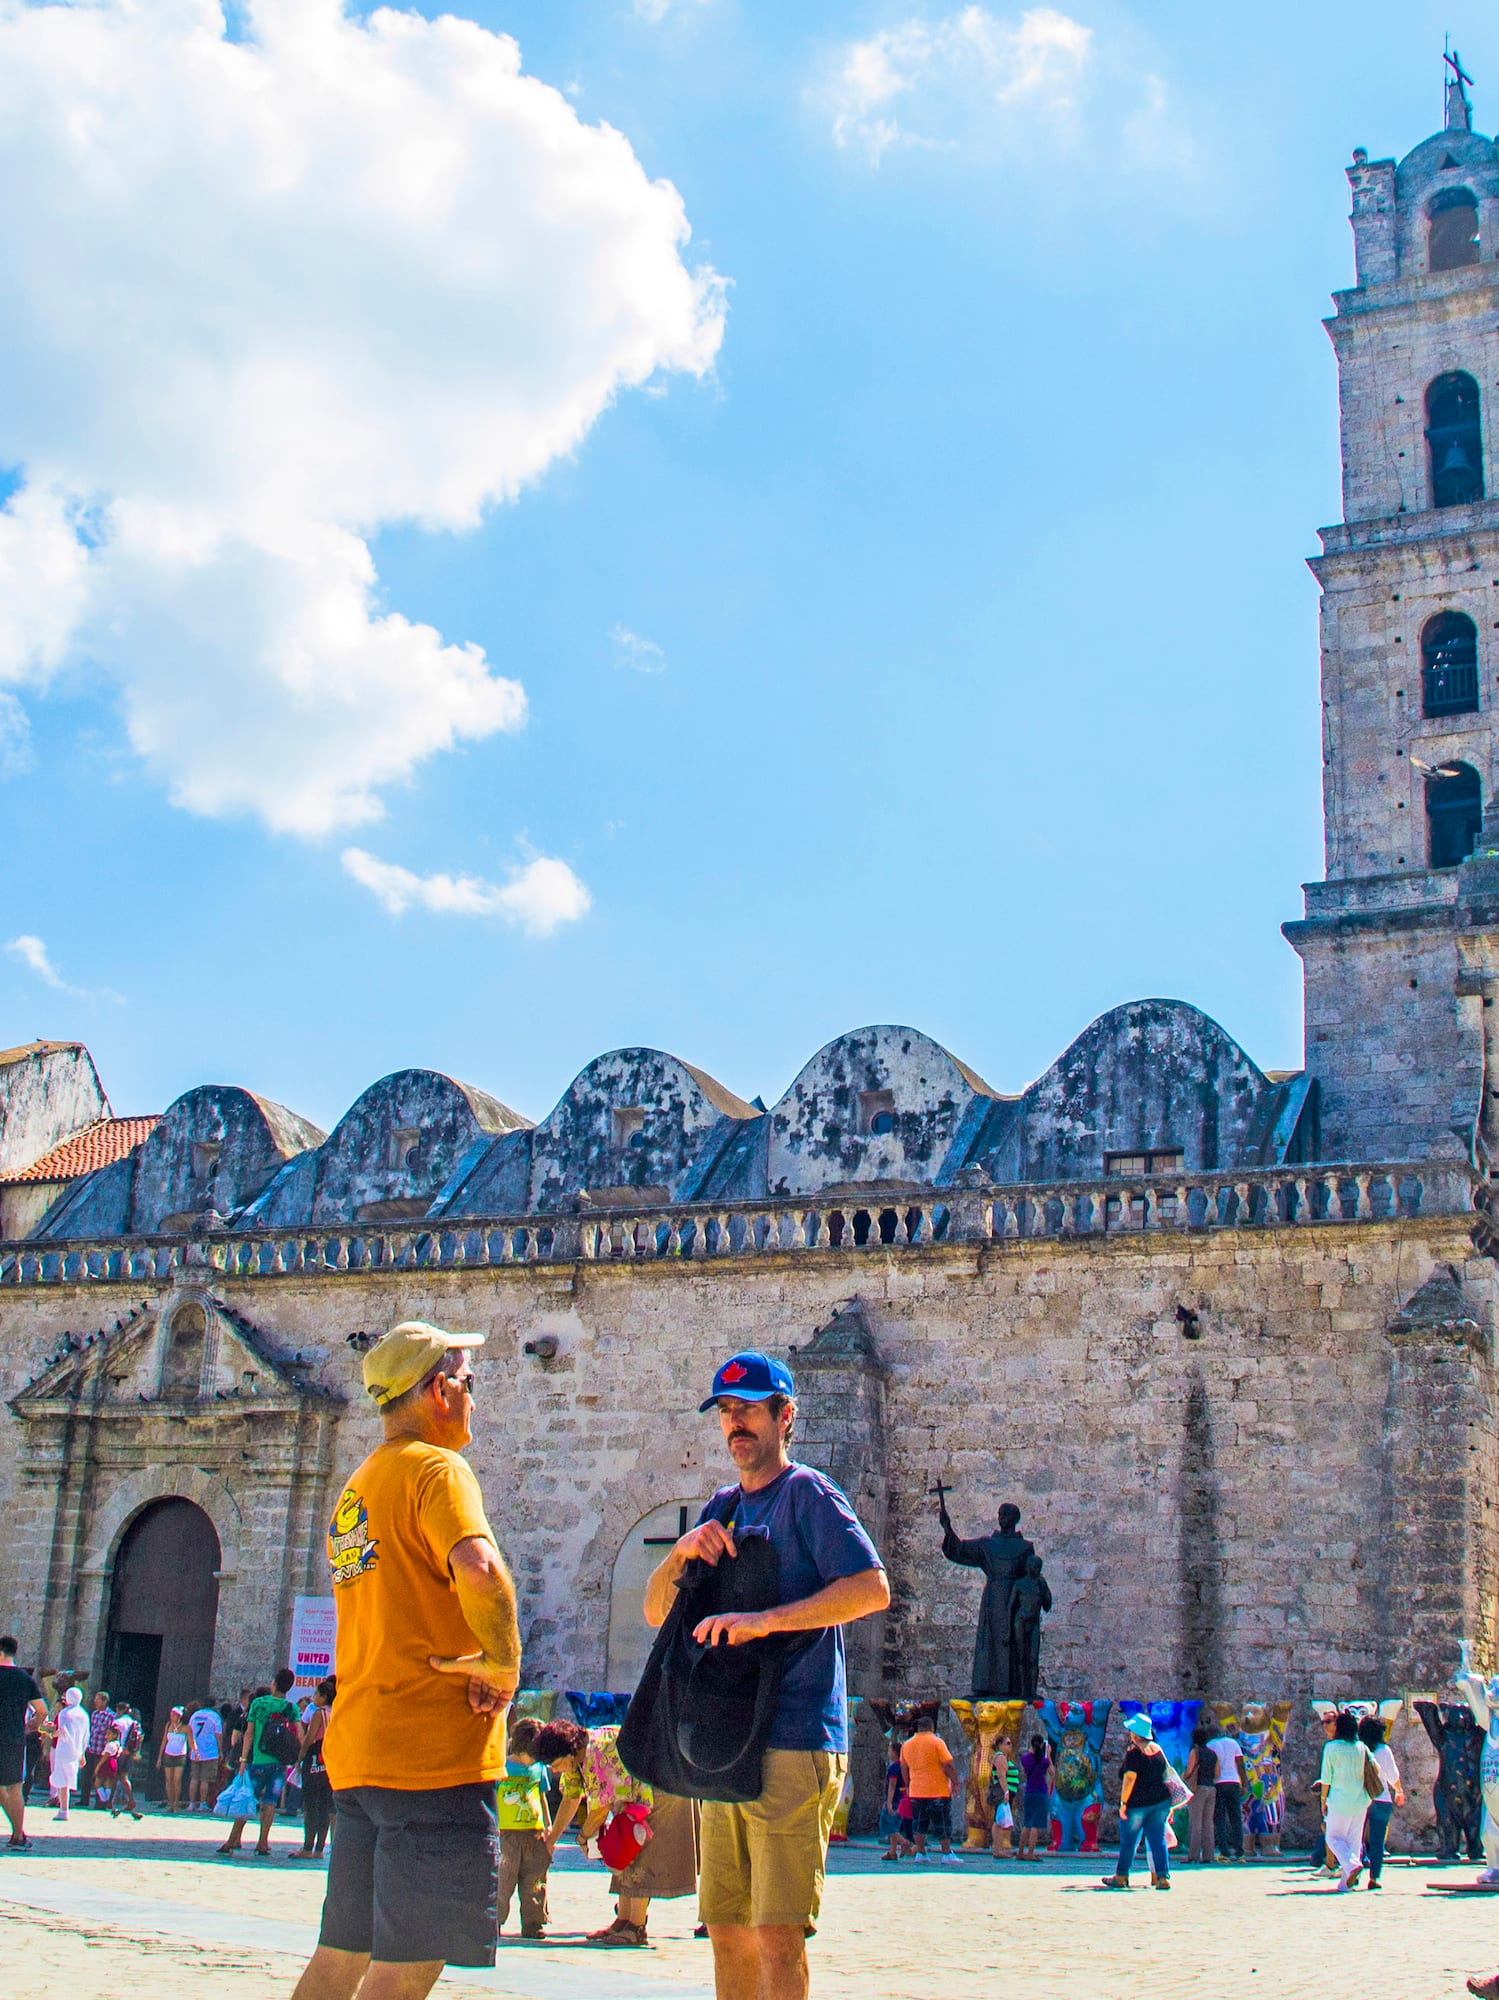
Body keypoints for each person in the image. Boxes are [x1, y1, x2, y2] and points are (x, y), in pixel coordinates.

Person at [642, 1349, 888, 2000]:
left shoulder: (807, 1495)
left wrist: (768, 1620)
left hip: (795, 1735)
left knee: (777, 1934)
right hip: (725, 1742)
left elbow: (870, 1589)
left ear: (785, 1417)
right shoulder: (720, 1507)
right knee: (724, 1928)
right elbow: (652, 1612)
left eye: (749, 1409)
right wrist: (680, 1555)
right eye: (726, 1412)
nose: (735, 1424)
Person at [289, 1319, 520, 1999]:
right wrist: (503, 1664)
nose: (474, 1399)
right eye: (468, 1384)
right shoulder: (435, 1468)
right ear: (438, 1390)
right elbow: (479, 1571)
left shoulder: (360, 1485)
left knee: (341, 1956)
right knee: (408, 1966)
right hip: (430, 1756)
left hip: (362, 1754)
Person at [536, 1715, 696, 1947]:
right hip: (633, 1800)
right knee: (621, 1851)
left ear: (568, 1752)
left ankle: (636, 1927)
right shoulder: (575, 1760)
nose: (554, 1769)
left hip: (659, 1791)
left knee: (639, 1854)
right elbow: (571, 1798)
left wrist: (583, 1837)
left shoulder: (597, 1750)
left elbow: (600, 1809)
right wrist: (551, 1841)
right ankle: (623, 1920)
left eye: (556, 1763)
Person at [218, 1671, 301, 1856]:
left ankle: (232, 1840)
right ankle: (262, 1842)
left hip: (258, 1760)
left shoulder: (259, 1703)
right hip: (280, 1763)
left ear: (274, 1683)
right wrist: (298, 1759)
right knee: (270, 1802)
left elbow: (248, 1733)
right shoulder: (291, 1707)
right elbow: (300, 1735)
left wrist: (243, 1759)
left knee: (247, 1799)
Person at [1099, 1713, 1172, 1891]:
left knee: (1129, 1841)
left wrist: (1123, 1802)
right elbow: (1167, 1775)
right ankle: (1163, 1877)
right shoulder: (1157, 1750)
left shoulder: (1133, 1752)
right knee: (1158, 1840)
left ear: (1135, 1732)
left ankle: (1122, 1875)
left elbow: (1129, 1778)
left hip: (1138, 1803)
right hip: (1160, 1801)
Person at [494, 1715, 552, 1940]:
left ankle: (533, 1922)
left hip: (534, 1833)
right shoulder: (503, 1767)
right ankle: (494, 1921)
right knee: (502, 1878)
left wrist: (548, 1826)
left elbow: (543, 1796)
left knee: (535, 1880)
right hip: (506, 1833)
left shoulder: (539, 1769)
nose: (534, 1759)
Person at [1317, 1709, 1372, 1891]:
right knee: (1354, 1841)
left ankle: (1351, 1865)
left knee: (1333, 1838)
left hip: (1340, 1800)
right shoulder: (1361, 1747)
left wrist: (1323, 1800)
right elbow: (1375, 1768)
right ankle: (1346, 1884)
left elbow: (1326, 1778)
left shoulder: (1331, 1748)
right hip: (1360, 1801)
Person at [0, 1635, 46, 1851]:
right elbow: (42, 1710)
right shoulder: (25, 1679)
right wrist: (29, 1726)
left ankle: (18, 1833)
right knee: (14, 1788)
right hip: (13, 1739)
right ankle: (18, 1836)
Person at [288, 1678, 336, 1863]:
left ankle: (308, 1846)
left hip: (315, 1757)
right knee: (325, 1804)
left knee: (310, 1804)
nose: (314, 1697)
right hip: (329, 1759)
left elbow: (309, 1738)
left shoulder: (320, 1714)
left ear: (324, 1697)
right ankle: (319, 1848)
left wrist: (300, 1757)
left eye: (317, 1694)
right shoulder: (335, 1713)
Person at [899, 1714, 957, 1864]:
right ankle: (947, 1854)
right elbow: (947, 1764)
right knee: (942, 1823)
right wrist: (955, 1782)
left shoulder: (907, 1745)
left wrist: (909, 1784)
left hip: (916, 1791)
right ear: (932, 1727)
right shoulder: (937, 1742)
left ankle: (922, 1853)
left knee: (919, 1824)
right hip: (938, 1790)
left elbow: (904, 1767)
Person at [1358, 1713, 1402, 1890]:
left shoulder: (1358, 1749)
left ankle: (1353, 1871)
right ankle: (1374, 1877)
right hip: (1381, 1798)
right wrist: (1399, 1790)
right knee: (1377, 1841)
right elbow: (1393, 1775)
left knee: (1356, 1838)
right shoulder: (1384, 1750)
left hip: (1360, 1798)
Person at [1205, 1721, 1246, 1861]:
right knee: (1235, 1818)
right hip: (1233, 1782)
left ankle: (1224, 1852)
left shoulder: (1210, 1745)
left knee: (1220, 1819)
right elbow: (1240, 1764)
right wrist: (1244, 1784)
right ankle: (1240, 1852)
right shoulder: (1233, 1743)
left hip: (1218, 1783)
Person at [48, 1686, 89, 1820]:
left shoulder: (65, 1713)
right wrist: (83, 1753)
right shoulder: (84, 1714)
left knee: (62, 1780)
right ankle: (64, 1808)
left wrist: (49, 1731)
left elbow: (61, 1731)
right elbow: (86, 1735)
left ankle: (63, 1810)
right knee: (67, 1779)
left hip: (64, 1749)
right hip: (76, 1750)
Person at [1183, 1726, 1216, 1864]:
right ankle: (1208, 1855)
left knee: (1196, 1822)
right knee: (1208, 1822)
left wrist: (1182, 1777)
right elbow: (1217, 1773)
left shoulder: (1195, 1752)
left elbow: (1190, 1770)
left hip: (1198, 1788)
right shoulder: (1213, 1754)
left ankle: (1193, 1855)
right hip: (1211, 1788)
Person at [1017, 1734, 1053, 1859]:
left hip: (1029, 1792)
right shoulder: (1043, 1761)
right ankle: (1031, 1853)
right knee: (1035, 1825)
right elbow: (1053, 1772)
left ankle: (1020, 1852)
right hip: (1041, 1792)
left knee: (1027, 1823)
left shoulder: (1025, 1759)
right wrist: (1048, 1755)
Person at [80, 1689, 116, 1810]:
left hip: (102, 1750)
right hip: (91, 1748)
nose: (95, 1702)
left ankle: (100, 1802)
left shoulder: (111, 1716)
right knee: (87, 1775)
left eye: (97, 1700)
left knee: (100, 1776)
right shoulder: (94, 1714)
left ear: (104, 1701)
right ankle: (83, 1799)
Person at [879, 1739, 912, 1862]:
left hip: (895, 1799)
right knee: (895, 1825)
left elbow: (892, 1786)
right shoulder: (904, 1766)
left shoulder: (894, 1767)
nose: (888, 1752)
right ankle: (892, 1852)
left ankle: (904, 1842)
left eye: (889, 1750)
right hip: (903, 1798)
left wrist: (888, 1802)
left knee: (887, 1824)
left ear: (894, 1752)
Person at [188, 1700, 224, 1812]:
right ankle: (202, 1804)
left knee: (194, 1778)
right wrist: (220, 1751)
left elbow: (189, 1732)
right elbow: (218, 1735)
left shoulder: (195, 1715)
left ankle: (191, 1803)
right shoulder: (214, 1716)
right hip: (210, 1751)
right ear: (213, 1706)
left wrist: (191, 1748)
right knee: (205, 1779)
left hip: (196, 1750)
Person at [157, 1706, 190, 1812]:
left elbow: (191, 1742)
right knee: (169, 1780)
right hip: (168, 1754)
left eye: (173, 1715)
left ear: (179, 1716)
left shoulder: (186, 1728)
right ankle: (171, 1804)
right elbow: (164, 1741)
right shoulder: (168, 1725)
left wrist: (196, 1751)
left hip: (180, 1755)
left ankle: (176, 1803)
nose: (171, 1717)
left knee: (177, 1779)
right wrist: (159, 1758)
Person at [989, 1734, 1015, 1858]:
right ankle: (997, 1849)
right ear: (1000, 1745)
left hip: (1004, 1792)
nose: (1010, 1746)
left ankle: (999, 1849)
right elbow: (1001, 1776)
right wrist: (1006, 1792)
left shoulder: (1002, 1757)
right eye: (1007, 1743)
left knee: (999, 1820)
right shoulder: (1000, 1758)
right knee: (998, 1821)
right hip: (1002, 1792)